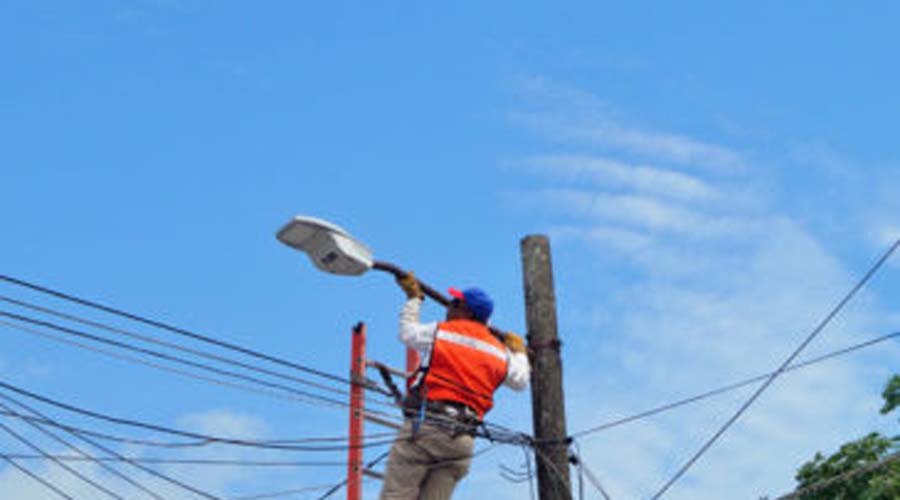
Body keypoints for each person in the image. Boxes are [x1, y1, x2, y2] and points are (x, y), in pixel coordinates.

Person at [379, 272, 530, 500]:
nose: (448, 307)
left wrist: (414, 299)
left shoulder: (442, 332)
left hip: (427, 429)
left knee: (396, 496)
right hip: (461, 442)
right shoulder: (499, 352)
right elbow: (520, 381)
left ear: (466, 311)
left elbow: (407, 333)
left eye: (455, 303)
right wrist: (519, 352)